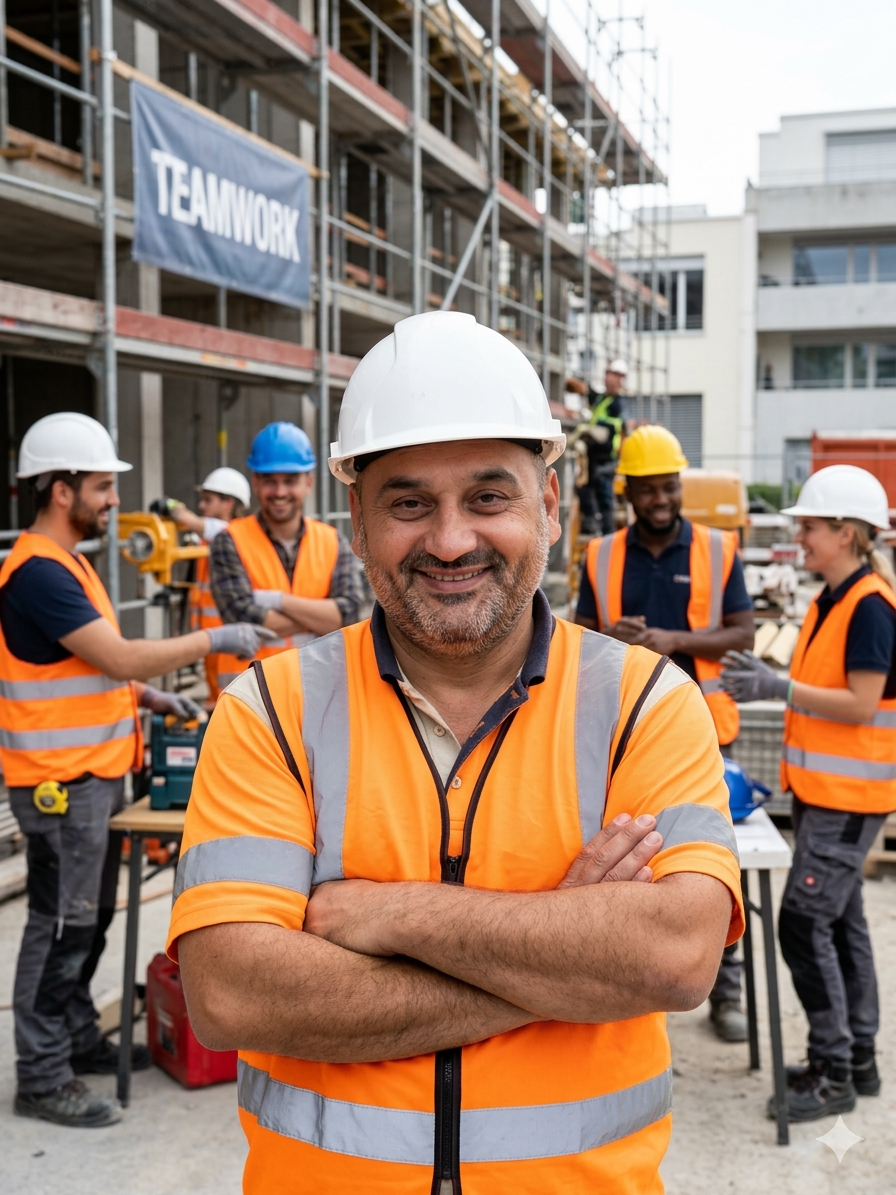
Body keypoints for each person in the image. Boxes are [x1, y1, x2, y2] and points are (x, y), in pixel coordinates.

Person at [168, 311, 744, 1194]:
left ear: (549, 505)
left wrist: (393, 915)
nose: (448, 540)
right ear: (356, 520)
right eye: (408, 502)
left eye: (487, 496)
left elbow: (675, 957)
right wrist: (568, 955)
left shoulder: (644, 702)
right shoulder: (270, 712)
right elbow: (231, 995)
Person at [0, 413, 271, 1129]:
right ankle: (41, 1072)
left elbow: (88, 665)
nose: (115, 499)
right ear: (59, 490)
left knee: (92, 920)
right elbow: (115, 656)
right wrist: (217, 635)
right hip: (61, 783)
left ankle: (78, 1036)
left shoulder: (71, 564)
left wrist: (148, 696)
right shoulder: (35, 572)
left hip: (94, 774)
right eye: (100, 486)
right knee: (60, 926)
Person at [722, 465, 896, 1123]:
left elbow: (860, 703)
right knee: (842, 923)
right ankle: (858, 1060)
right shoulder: (834, 598)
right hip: (831, 793)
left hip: (852, 797)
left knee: (802, 921)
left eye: (810, 528)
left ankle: (831, 1071)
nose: (800, 539)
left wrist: (778, 687)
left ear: (846, 533)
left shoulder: (870, 606)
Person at [575, 424, 755, 1044]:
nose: (661, 499)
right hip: (620, 738)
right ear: (628, 493)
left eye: (669, 487)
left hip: (704, 735)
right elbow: (576, 639)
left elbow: (742, 633)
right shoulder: (600, 556)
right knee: (626, 864)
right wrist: (611, 642)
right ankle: (627, 981)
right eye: (649, 489)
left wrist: (673, 642)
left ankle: (724, 988)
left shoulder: (718, 549)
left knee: (708, 868)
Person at [208, 421, 364, 690]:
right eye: (271, 481)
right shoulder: (229, 540)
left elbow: (349, 613)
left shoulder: (332, 541)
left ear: (308, 483)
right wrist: (321, 618)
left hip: (320, 690)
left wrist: (275, 600)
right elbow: (242, 616)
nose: (280, 492)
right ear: (256, 483)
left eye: (290, 481)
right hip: (250, 694)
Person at [153, 467, 253, 705]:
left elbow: (197, 523)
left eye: (208, 500)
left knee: (234, 697)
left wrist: (171, 508)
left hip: (230, 635)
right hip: (213, 635)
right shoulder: (217, 535)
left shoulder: (234, 533)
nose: (202, 506)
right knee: (217, 697)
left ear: (228, 503)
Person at [566, 358, 626, 536]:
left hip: (606, 459)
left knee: (604, 496)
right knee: (584, 488)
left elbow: (610, 428)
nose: (614, 379)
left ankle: (607, 534)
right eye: (612, 375)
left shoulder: (617, 404)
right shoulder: (603, 399)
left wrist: (589, 429)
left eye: (618, 376)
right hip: (594, 457)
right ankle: (591, 525)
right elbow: (590, 394)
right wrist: (581, 388)